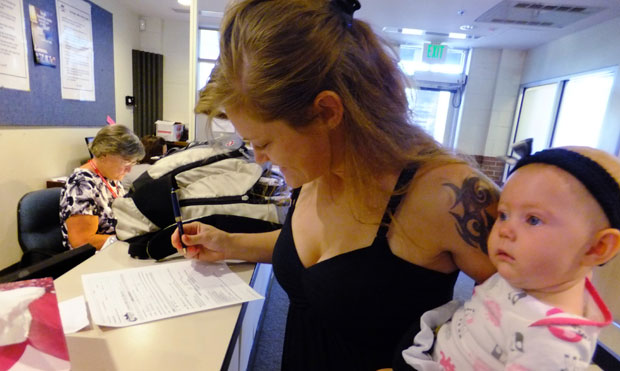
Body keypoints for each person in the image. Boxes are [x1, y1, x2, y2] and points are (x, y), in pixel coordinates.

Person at [171, 0, 499, 369]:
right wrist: (228, 243)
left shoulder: (446, 195)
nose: (260, 158)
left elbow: (544, 317)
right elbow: (317, 257)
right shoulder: (316, 169)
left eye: (265, 143)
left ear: (327, 112)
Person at [399, 146, 620, 370]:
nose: (505, 230)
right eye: (504, 215)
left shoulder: (553, 345)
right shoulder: (528, 274)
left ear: (597, 248)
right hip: (427, 348)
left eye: (533, 220)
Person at [60, 124, 144, 250]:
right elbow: (82, 241)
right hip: (92, 258)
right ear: (104, 154)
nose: (130, 169)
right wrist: (129, 239)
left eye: (133, 162)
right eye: (126, 161)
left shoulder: (111, 177)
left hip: (115, 249)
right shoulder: (81, 184)